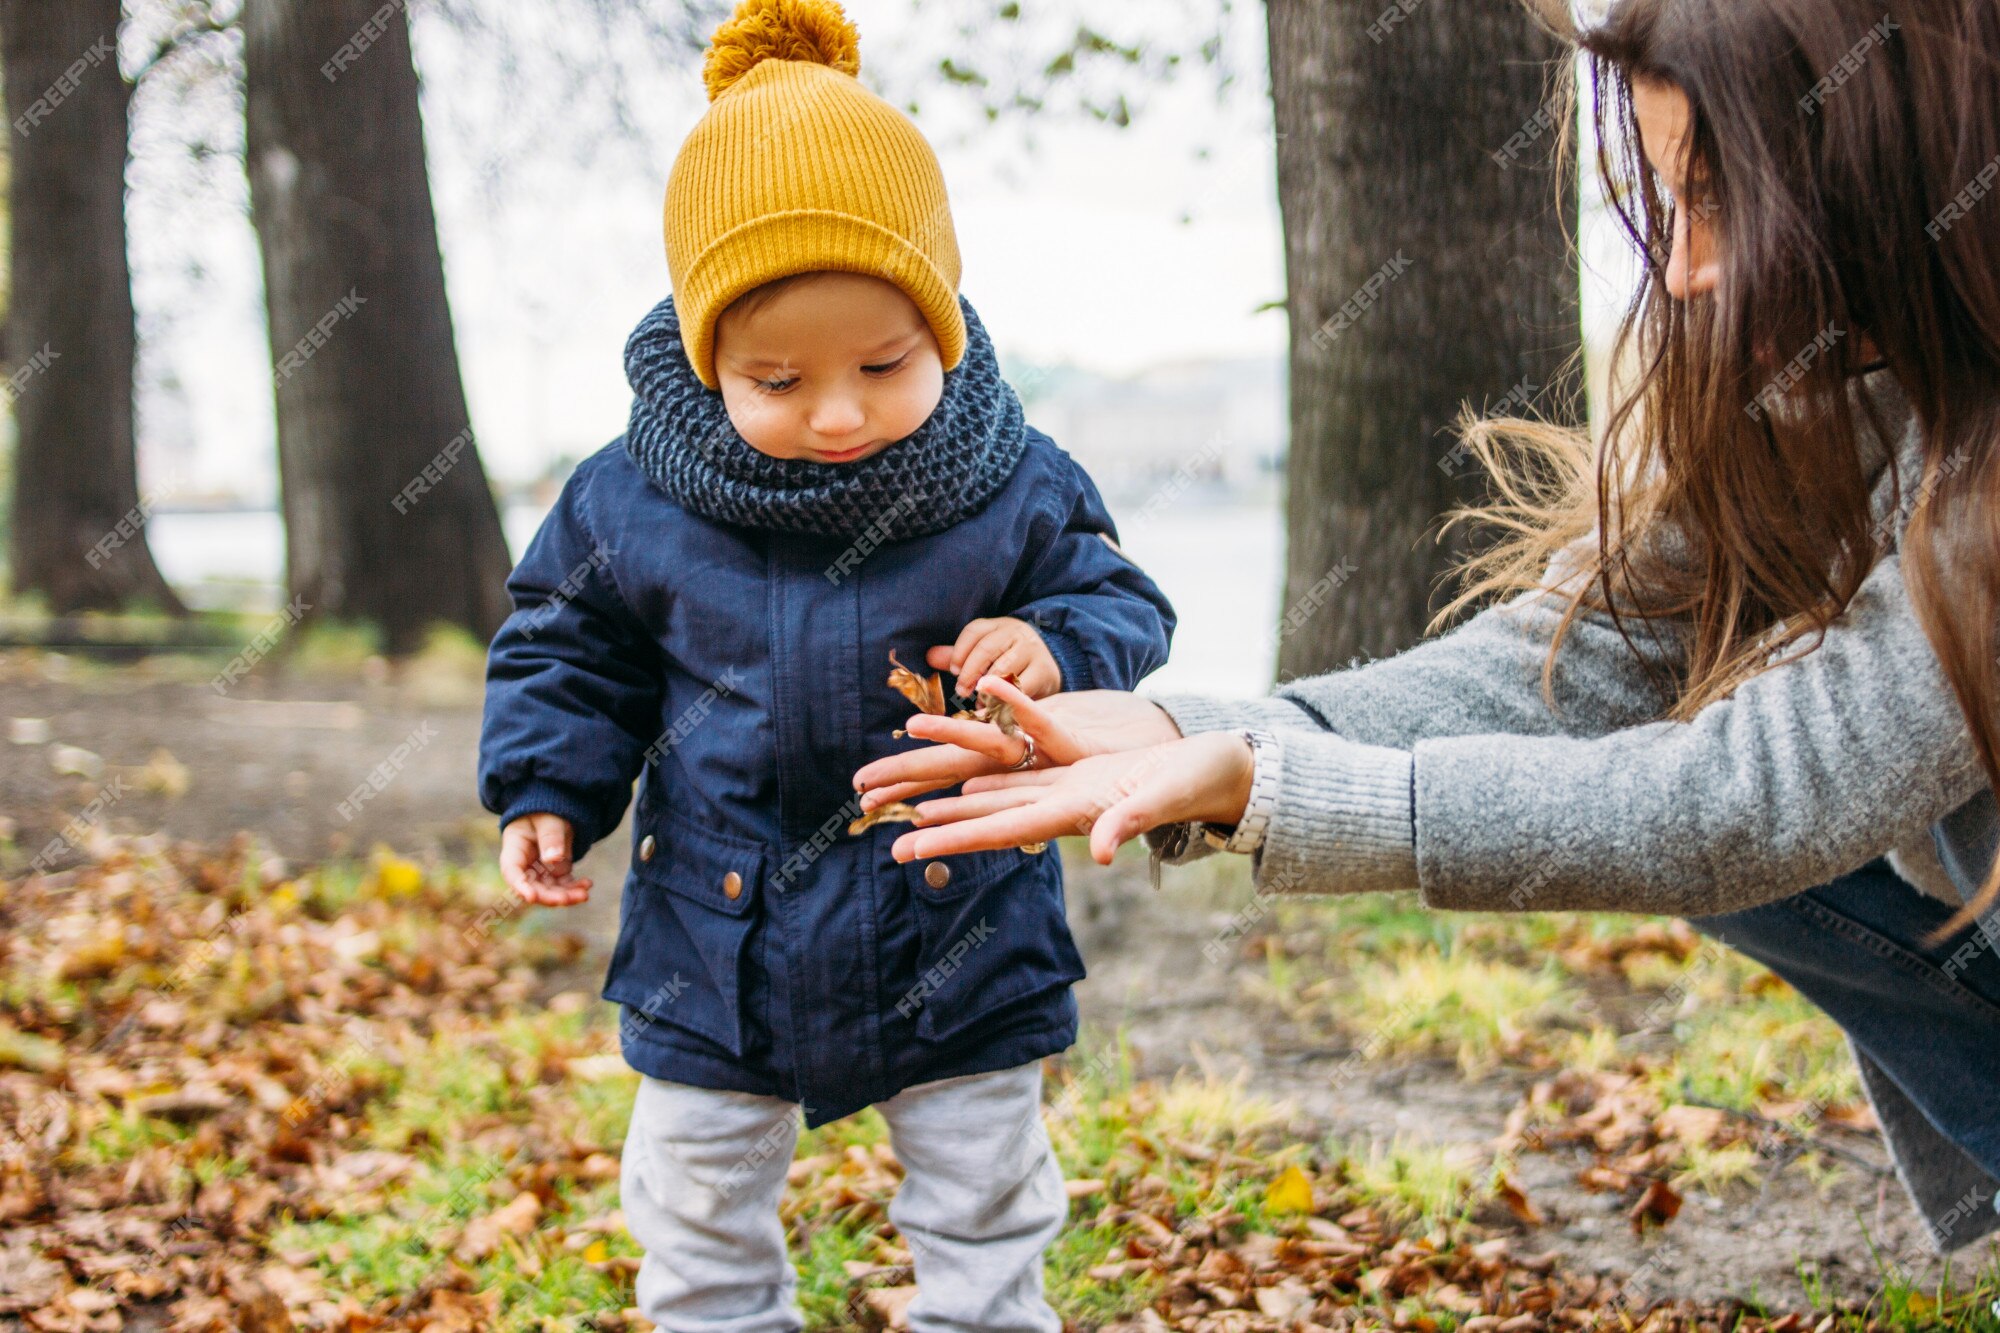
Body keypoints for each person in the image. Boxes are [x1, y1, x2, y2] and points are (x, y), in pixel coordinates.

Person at [853, 0, 2000, 1256]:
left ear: (1883, 169)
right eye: (1673, 208)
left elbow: (1734, 803)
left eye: (1720, 201)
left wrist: (1268, 789)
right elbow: (1581, 660)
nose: (1680, 271)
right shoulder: (1847, 391)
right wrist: (1197, 727)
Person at [476, 1, 1175, 1327]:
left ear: (942, 327)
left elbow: (1116, 594)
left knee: (983, 1192)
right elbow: (568, 649)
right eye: (779, 377)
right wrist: (546, 789)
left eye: (882, 362)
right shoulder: (634, 501)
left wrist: (1062, 647)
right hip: (713, 937)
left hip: (959, 922)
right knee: (691, 1201)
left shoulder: (1009, 481)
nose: (839, 410)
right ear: (706, 358)